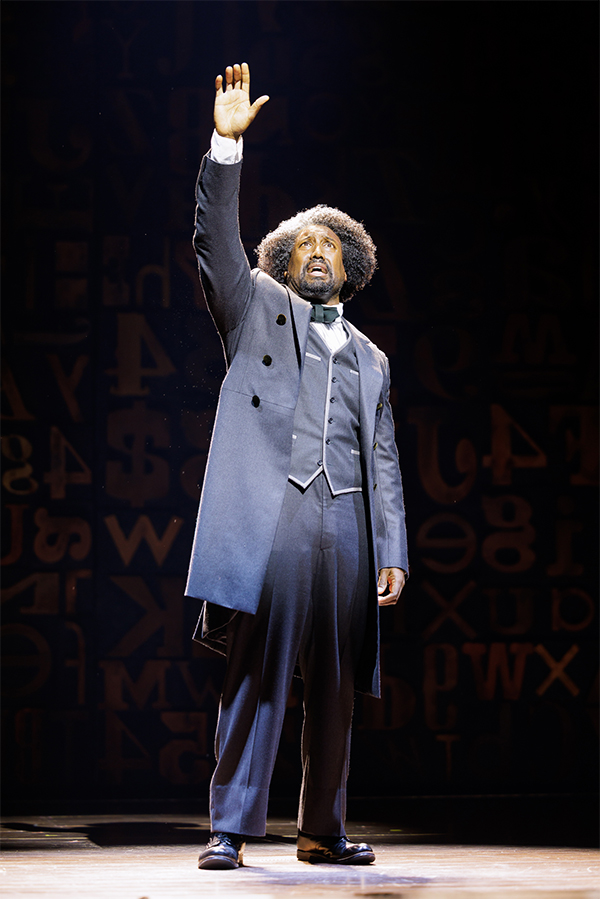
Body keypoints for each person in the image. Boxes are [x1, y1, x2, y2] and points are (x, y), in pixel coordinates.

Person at [186, 62, 408, 870]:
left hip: (346, 523)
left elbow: (382, 458)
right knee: (258, 670)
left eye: (330, 245)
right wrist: (226, 147)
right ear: (282, 264)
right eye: (302, 244)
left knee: (339, 687)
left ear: (351, 265)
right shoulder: (254, 313)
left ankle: (323, 829)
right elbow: (214, 245)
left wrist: (393, 549)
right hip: (275, 514)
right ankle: (230, 827)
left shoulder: (374, 357)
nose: (317, 252)